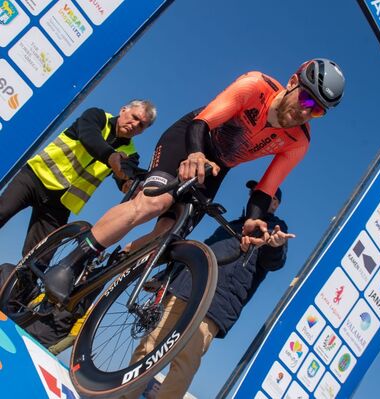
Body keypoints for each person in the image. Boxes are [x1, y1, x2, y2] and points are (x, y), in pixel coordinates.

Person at [44, 58, 345, 303]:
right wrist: (196, 155)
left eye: (316, 110)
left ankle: (110, 267)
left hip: (218, 166)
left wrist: (254, 221)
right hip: (191, 137)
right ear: (293, 81)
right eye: (306, 98)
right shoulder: (255, 86)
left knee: (171, 232)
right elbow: (202, 123)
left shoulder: (298, 142)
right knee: (155, 202)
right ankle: (71, 261)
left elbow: (265, 190)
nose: (305, 111)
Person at [125, 182, 293, 399]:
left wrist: (275, 244)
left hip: (216, 304)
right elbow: (201, 253)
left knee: (184, 362)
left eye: (263, 194)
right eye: (254, 193)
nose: (255, 196)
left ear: (275, 203)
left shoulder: (275, 229)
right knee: (148, 347)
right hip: (185, 288)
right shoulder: (231, 223)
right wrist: (167, 277)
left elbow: (274, 262)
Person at [0, 99, 156, 257]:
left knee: (39, 260)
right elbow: (89, 136)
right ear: (123, 110)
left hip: (60, 206)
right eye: (135, 117)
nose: (135, 124)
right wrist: (110, 156)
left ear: (141, 131)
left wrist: (127, 182)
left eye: (141, 125)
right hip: (36, 178)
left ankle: (13, 279)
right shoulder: (97, 116)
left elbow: (127, 172)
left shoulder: (131, 153)